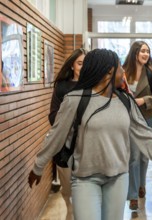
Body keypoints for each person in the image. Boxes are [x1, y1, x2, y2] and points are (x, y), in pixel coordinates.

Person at [28, 48, 152, 220]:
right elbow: (55, 136)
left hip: (118, 178)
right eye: (119, 68)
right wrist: (39, 166)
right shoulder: (75, 99)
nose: (123, 72)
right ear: (107, 73)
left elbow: (144, 135)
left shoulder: (126, 101)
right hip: (85, 178)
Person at [123, 41, 152, 210]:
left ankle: (142, 185)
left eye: (147, 51)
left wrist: (144, 100)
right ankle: (132, 194)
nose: (146, 54)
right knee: (133, 156)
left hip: (148, 117)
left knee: (144, 156)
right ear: (135, 53)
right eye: (142, 51)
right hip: (130, 119)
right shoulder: (124, 72)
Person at [48, 48, 87, 220]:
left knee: (85, 188)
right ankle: (69, 211)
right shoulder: (62, 87)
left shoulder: (94, 86)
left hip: (88, 145)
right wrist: (68, 116)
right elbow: (52, 116)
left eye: (86, 64)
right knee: (68, 189)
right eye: (80, 63)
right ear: (72, 65)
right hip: (65, 145)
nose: (83, 67)